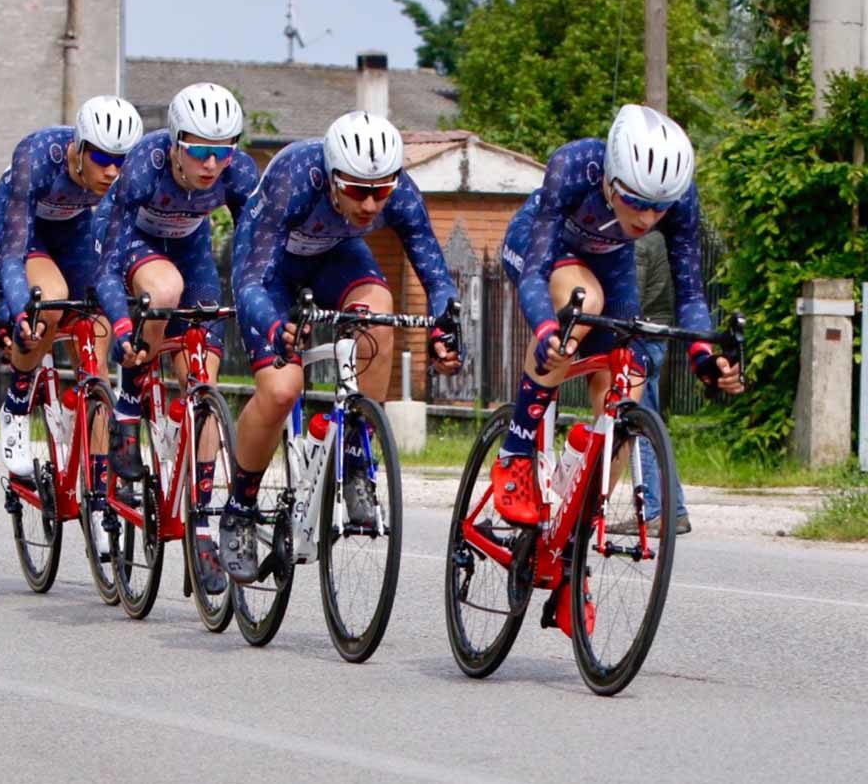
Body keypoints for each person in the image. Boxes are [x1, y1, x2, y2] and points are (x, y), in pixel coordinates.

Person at [221, 110, 463, 583]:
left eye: (381, 191)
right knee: (281, 390)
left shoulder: (397, 192)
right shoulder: (295, 178)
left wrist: (444, 328)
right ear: (332, 178)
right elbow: (251, 281)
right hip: (270, 269)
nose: (371, 204)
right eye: (356, 190)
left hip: (334, 255)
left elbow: (435, 271)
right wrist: (275, 327)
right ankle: (240, 506)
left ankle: (356, 456)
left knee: (378, 313)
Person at [490, 103, 743, 532]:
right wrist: (549, 328)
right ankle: (515, 452)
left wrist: (704, 355)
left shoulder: (679, 196)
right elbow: (535, 272)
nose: (646, 218)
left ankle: (576, 525)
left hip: (611, 259)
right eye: (634, 202)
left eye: (658, 208)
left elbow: (691, 289)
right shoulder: (575, 165)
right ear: (610, 179)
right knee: (583, 301)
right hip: (542, 246)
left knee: (628, 380)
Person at [92, 82, 260, 594]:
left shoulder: (240, 174)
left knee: (202, 378)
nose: (212, 163)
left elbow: (257, 252)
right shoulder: (143, 166)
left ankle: (204, 524)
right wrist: (122, 326)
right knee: (165, 289)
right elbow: (106, 267)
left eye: (223, 150)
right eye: (200, 150)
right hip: (132, 244)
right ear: (174, 143)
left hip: (190, 245)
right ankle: (127, 402)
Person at [0, 95, 143, 504]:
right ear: (78, 146)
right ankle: (17, 403)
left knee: (98, 319)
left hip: (71, 228)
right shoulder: (38, 156)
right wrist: (19, 308)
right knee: (49, 299)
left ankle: (99, 472)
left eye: (122, 160)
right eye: (102, 158)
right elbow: (14, 255)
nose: (112, 170)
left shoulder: (120, 176)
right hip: (20, 227)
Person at [634, 230, 691, 533]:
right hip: (653, 336)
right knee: (652, 425)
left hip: (641, 338)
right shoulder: (656, 237)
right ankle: (675, 511)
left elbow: (632, 297)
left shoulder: (641, 240)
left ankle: (654, 512)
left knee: (640, 427)